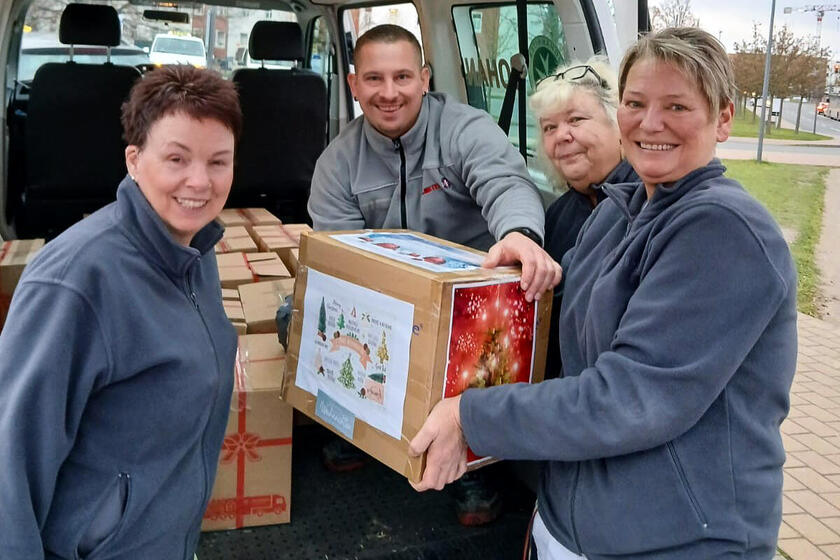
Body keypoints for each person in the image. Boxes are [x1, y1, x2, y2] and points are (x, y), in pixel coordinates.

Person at [410, 27, 797, 560]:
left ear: (723, 118)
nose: (650, 122)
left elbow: (628, 398)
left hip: (675, 540)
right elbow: (566, 346)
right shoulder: (619, 208)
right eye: (636, 103)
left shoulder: (722, 230)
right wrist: (515, 274)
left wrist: (470, 416)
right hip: (572, 519)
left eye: (677, 106)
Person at [306, 23, 561, 526]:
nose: (389, 92)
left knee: (480, 337)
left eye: (402, 76)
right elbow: (343, 264)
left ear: (425, 78)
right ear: (354, 85)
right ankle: (351, 425)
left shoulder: (465, 129)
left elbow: (504, 181)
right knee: (304, 314)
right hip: (381, 300)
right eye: (374, 79)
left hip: (465, 304)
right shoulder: (337, 164)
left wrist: (518, 233)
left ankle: (475, 464)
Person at [0, 65, 241, 559]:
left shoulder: (196, 248)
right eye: (177, 158)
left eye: (219, 162)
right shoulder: (75, 280)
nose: (200, 181)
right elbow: (9, 460)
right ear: (133, 160)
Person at [533, 56, 638, 379]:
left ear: (618, 125)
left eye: (576, 120)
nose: (561, 135)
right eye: (549, 127)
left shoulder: (646, 204)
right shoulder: (558, 215)